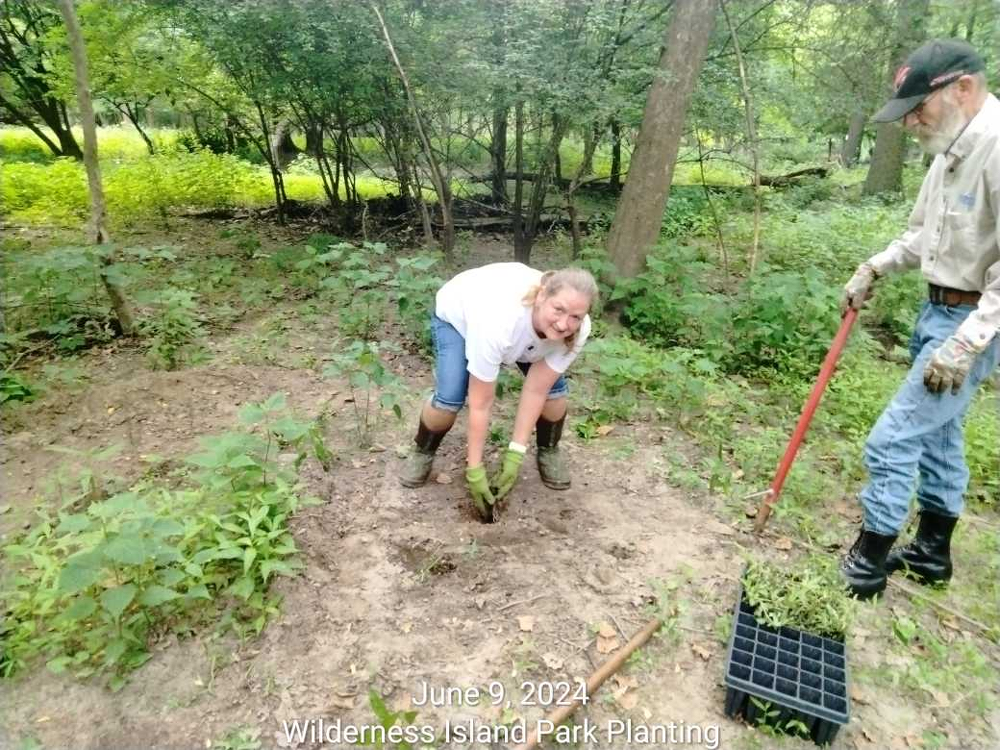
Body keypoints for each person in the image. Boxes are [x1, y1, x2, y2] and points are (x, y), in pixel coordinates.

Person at [840, 39, 1000, 599]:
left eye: (917, 108)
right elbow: (920, 234)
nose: (910, 121)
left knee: (892, 439)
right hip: (937, 310)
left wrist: (969, 342)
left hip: (973, 324)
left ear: (962, 88)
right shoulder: (949, 152)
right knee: (939, 435)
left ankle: (867, 562)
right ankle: (932, 554)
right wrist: (875, 266)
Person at [399, 263, 598, 521]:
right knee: (449, 399)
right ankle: (423, 451)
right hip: (459, 317)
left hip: (518, 332)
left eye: (575, 316)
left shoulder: (578, 329)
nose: (563, 324)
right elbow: (481, 403)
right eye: (558, 309)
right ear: (541, 297)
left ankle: (549, 450)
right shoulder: (499, 321)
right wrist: (475, 469)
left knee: (553, 396)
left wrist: (516, 454)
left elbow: (536, 391)